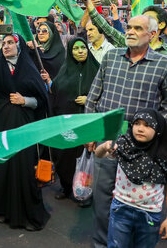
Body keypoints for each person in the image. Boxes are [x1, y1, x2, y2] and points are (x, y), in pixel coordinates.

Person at [85, 14, 167, 248]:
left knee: (135, 205)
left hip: (143, 148)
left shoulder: (163, 64)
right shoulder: (111, 57)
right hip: (107, 139)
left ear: (152, 35)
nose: (130, 31)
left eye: (137, 28)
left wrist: (149, 129)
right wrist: (91, 132)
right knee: (101, 201)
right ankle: (102, 244)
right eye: (128, 27)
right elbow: (93, 97)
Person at [0, 33, 50, 231]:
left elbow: (42, 101)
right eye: (3, 43)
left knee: (21, 169)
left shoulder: (30, 69)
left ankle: (24, 214)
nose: (6, 47)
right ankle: (1, 209)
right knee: (1, 169)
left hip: (23, 130)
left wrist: (25, 101)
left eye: (10, 43)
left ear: (19, 46)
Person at [94, 110, 167, 248]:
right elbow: (98, 155)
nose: (140, 128)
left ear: (157, 129)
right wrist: (104, 147)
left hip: (150, 213)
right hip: (121, 209)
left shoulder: (163, 153)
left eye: (147, 125)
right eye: (137, 123)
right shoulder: (123, 144)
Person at [47, 38, 99, 206]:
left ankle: (84, 192)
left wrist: (89, 100)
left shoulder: (97, 70)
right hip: (66, 123)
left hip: (87, 124)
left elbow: (106, 94)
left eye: (83, 47)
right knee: (64, 157)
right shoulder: (64, 71)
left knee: (84, 158)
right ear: (70, 51)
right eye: (75, 48)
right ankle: (66, 187)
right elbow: (55, 94)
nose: (80, 51)